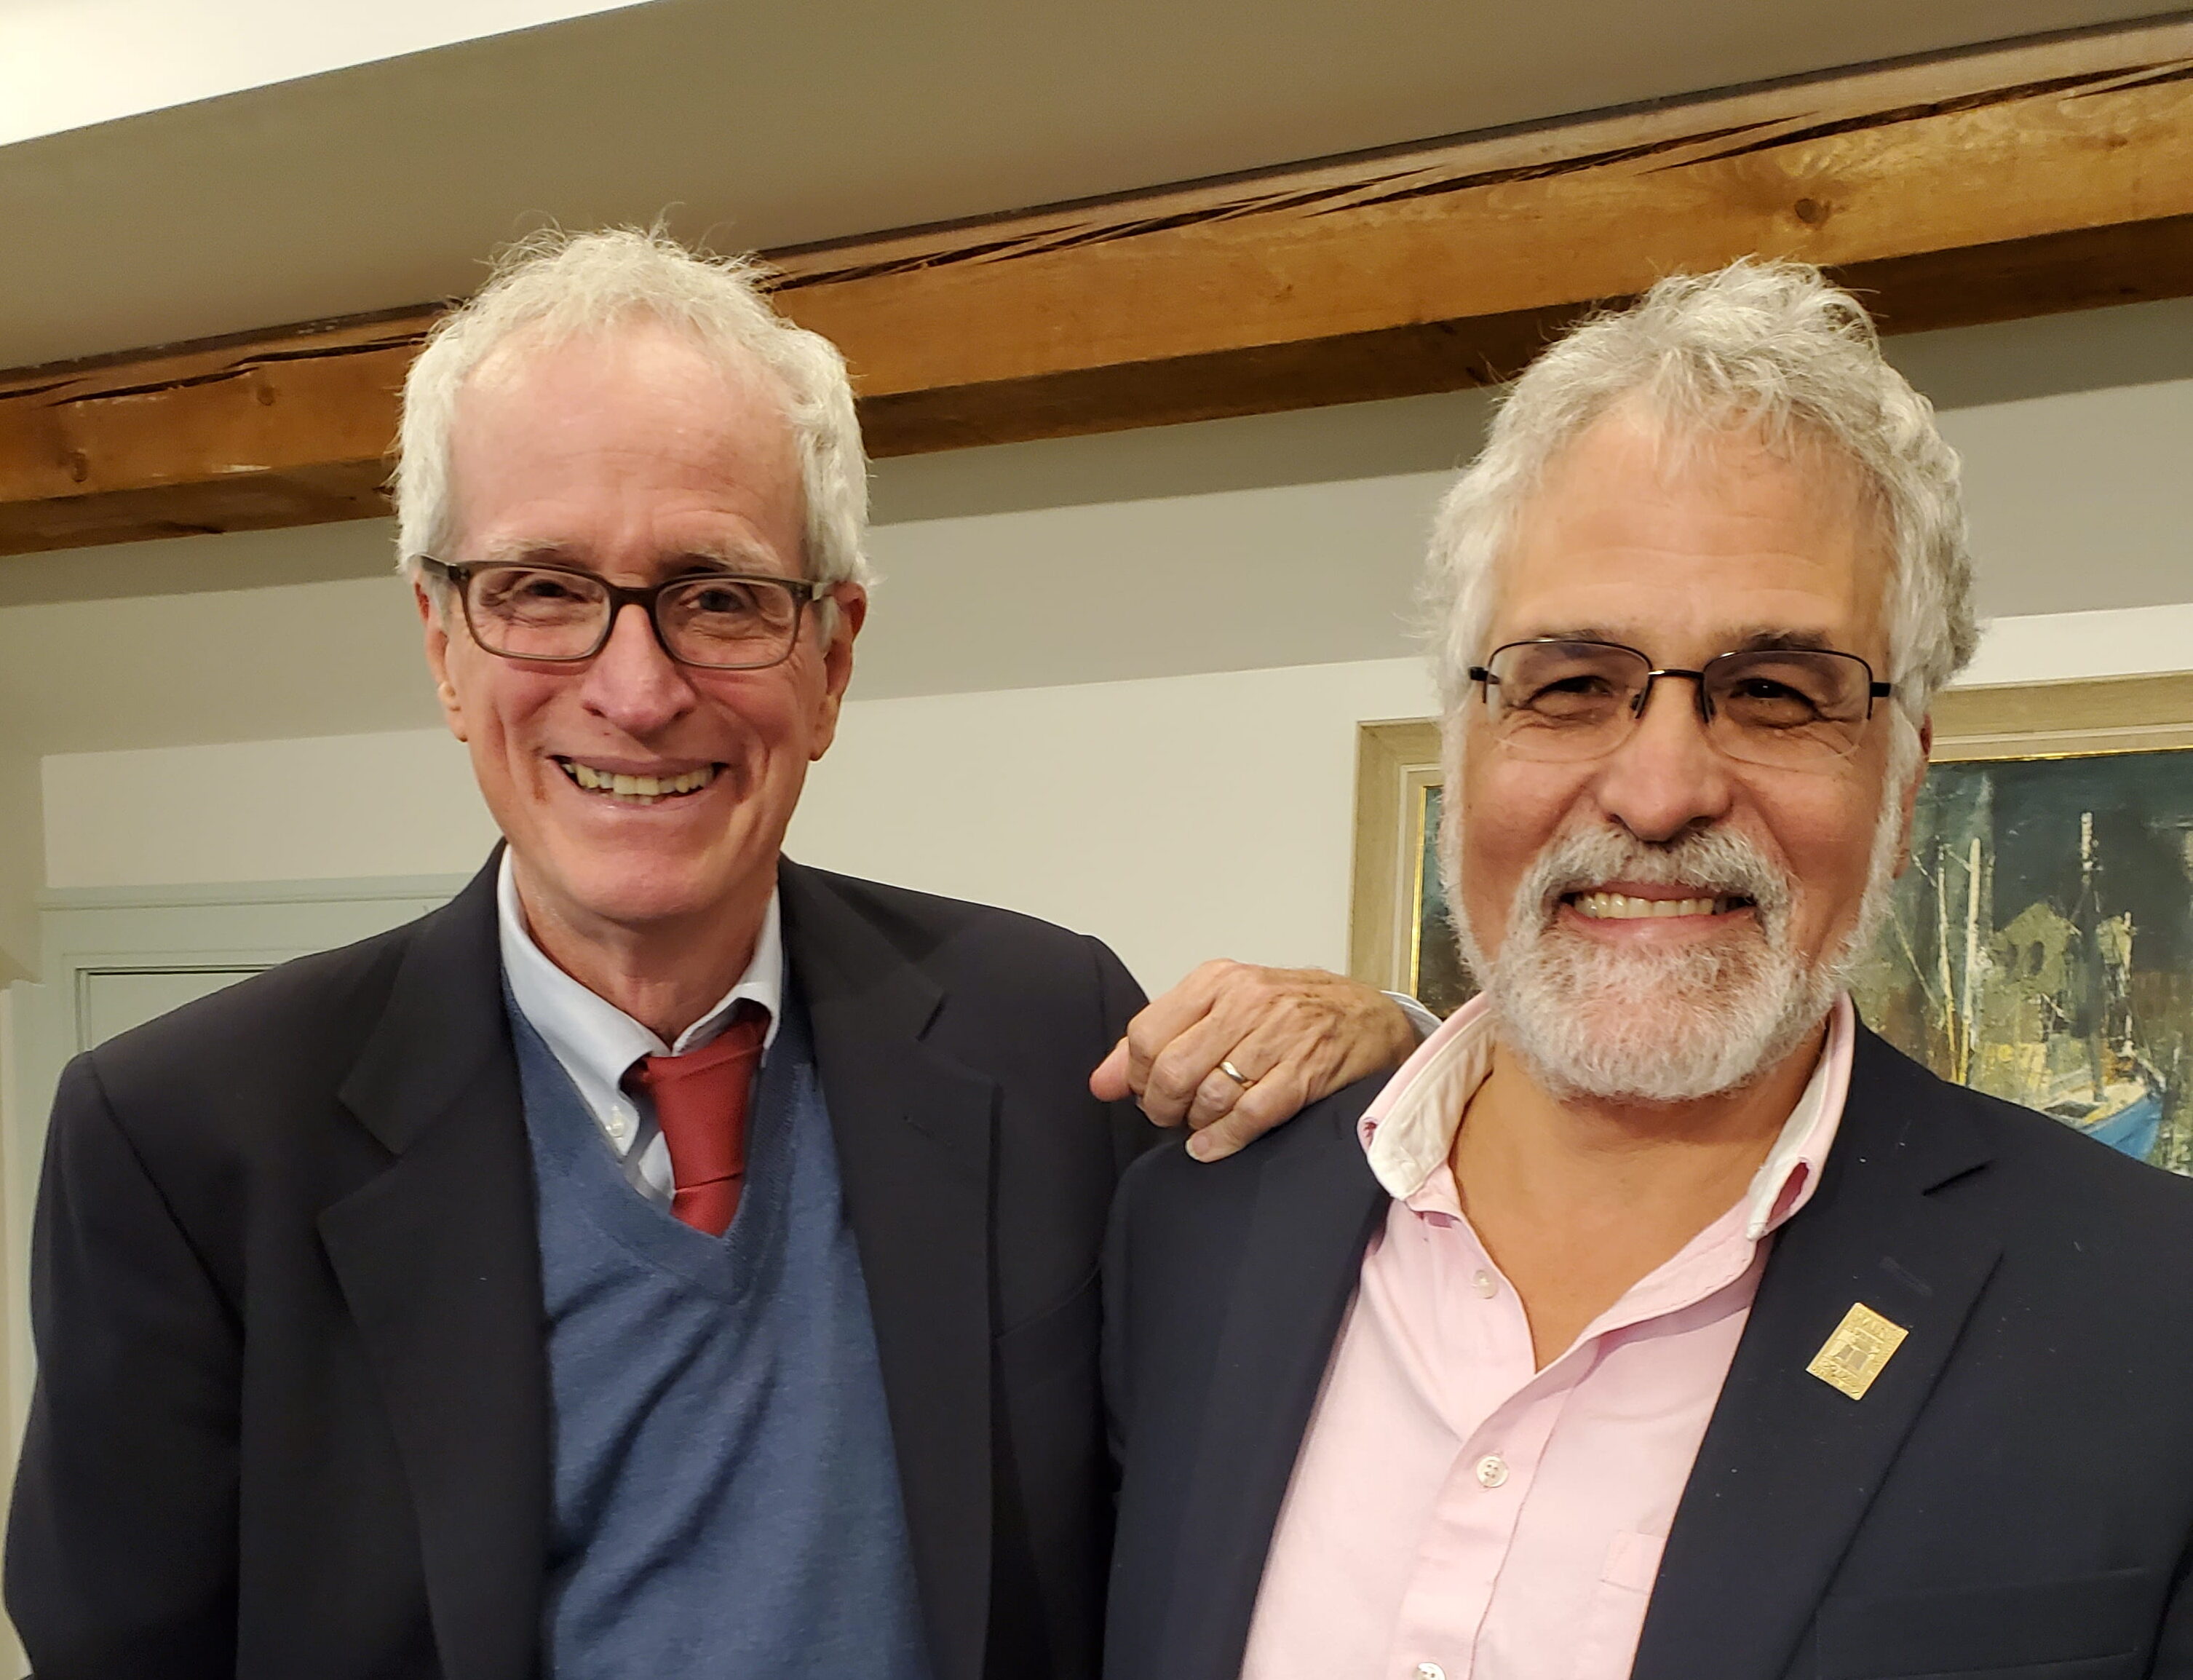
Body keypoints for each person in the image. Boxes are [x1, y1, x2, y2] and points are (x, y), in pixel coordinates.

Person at [4, 229, 1420, 1680]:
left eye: (720, 593)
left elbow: (1265, 1452)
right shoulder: (187, 1137)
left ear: (832, 658)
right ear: (442, 643)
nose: (634, 687)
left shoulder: (1051, 1027)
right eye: (542, 587)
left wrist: (1397, 1036)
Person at [1103, 261, 2193, 1680]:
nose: (1662, 785)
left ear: (1904, 779)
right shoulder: (1189, 1234)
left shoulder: (2145, 1319)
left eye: (1776, 693)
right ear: (1467, 731)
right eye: (1569, 682)